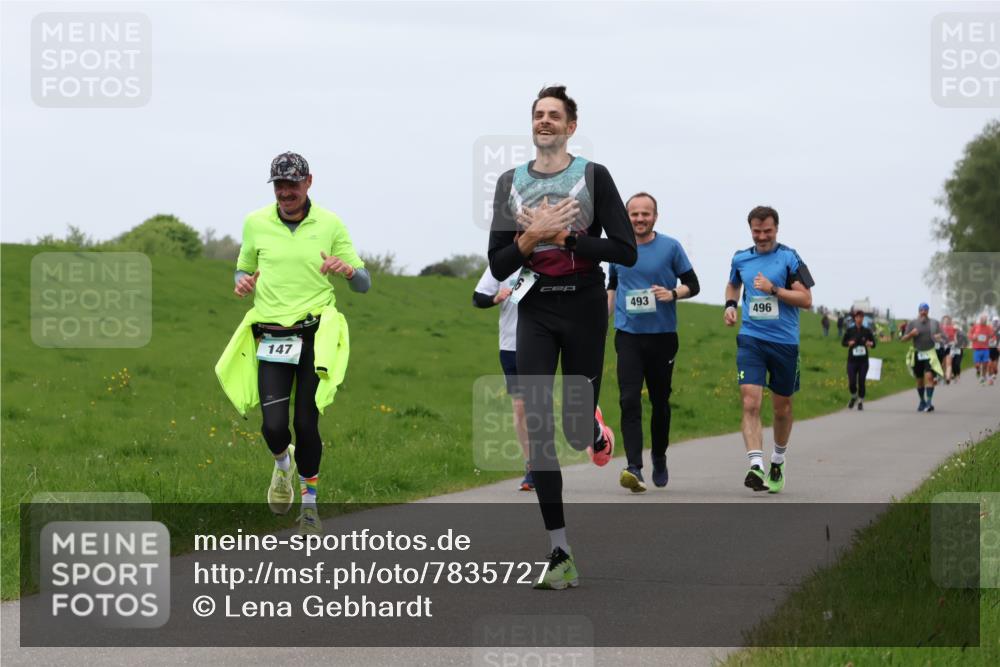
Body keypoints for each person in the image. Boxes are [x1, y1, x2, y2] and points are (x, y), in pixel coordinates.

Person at [487, 85, 637, 589]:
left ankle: (593, 430)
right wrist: (530, 237)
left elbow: (625, 250)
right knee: (536, 426)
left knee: (574, 432)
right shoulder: (510, 183)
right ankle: (560, 551)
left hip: (584, 306)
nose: (544, 121)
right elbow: (499, 261)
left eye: (554, 115)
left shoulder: (594, 177)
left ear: (571, 126)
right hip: (536, 307)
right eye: (538, 115)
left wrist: (566, 236)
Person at [216, 151, 370, 535]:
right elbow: (244, 266)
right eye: (280, 185)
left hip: (314, 333)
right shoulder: (255, 223)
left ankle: (310, 508)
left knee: (306, 421)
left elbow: (363, 281)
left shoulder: (330, 224)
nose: (286, 192)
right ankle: (283, 466)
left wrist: (347, 270)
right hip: (271, 335)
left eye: (293, 184)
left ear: (309, 182)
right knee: (273, 428)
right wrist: (242, 280)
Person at [606, 192, 699, 493]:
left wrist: (673, 294)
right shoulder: (619, 249)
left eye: (646, 214)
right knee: (628, 399)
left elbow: (693, 285)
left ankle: (659, 456)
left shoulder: (671, 247)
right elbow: (612, 286)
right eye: (634, 214)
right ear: (626, 216)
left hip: (662, 337)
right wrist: (599, 323)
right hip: (628, 335)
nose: (640, 219)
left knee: (660, 402)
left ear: (655, 216)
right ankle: (635, 467)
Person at [723, 206, 814, 494]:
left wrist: (774, 289)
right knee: (750, 402)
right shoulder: (741, 258)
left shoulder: (789, 257)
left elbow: (806, 299)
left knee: (782, 408)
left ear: (777, 229)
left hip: (784, 343)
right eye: (757, 231)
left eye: (768, 231)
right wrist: (730, 306)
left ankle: (777, 459)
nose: (762, 236)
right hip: (751, 338)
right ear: (750, 230)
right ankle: (756, 466)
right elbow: (733, 284)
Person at [473, 266, 533, 490]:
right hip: (510, 346)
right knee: (520, 407)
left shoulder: (547, 256)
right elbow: (477, 298)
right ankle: (532, 466)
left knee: (538, 404)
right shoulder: (501, 263)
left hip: (543, 344)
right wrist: (495, 298)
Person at [901, 304, 945, 411]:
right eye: (921, 310)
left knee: (929, 377)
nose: (923, 312)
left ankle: (929, 403)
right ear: (918, 311)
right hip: (917, 354)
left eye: (925, 310)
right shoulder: (913, 323)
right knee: (919, 380)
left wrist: (939, 337)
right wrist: (911, 334)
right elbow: (903, 339)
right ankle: (922, 401)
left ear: (928, 311)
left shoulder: (934, 323)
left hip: (930, 353)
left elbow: (943, 336)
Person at [842, 309, 876, 410]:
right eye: (857, 317)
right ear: (855, 318)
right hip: (852, 361)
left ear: (863, 318)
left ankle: (860, 401)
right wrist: (849, 343)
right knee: (852, 382)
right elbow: (843, 343)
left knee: (861, 381)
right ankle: (853, 396)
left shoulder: (867, 331)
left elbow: (874, 343)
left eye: (861, 317)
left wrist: (870, 344)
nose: (859, 319)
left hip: (863, 362)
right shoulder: (849, 330)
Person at [968, 314, 994, 385]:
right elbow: (969, 334)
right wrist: (973, 338)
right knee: (977, 364)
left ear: (986, 320)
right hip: (977, 349)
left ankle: (983, 376)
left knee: (985, 364)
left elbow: (992, 336)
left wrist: (992, 339)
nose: (983, 321)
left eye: (985, 320)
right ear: (980, 320)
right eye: (982, 319)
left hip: (985, 349)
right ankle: (978, 370)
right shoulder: (975, 326)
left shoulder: (989, 327)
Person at [939, 315, 956, 383]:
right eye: (945, 320)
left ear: (949, 321)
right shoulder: (939, 328)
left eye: (947, 320)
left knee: (949, 363)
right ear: (942, 321)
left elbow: (956, 337)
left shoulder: (953, 328)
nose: (946, 321)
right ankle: (943, 375)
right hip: (942, 347)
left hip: (950, 346)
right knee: (943, 363)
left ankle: (948, 378)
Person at [990, 316, 1000, 383]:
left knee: (995, 363)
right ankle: (992, 375)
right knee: (990, 362)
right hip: (990, 347)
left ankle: (994, 373)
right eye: (994, 321)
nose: (995, 323)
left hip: (997, 347)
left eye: (996, 321)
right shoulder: (990, 328)